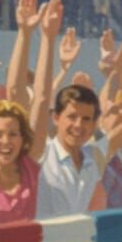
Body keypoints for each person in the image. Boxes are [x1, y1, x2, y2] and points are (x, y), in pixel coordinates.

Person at [36, 85, 107, 216]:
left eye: (86, 119)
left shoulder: (93, 159)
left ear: (93, 124)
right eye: (72, 117)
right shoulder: (41, 155)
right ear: (56, 118)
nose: (78, 125)